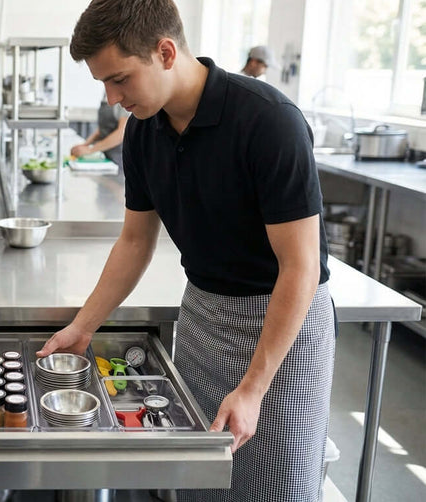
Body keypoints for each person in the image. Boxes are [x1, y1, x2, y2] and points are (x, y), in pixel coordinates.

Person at [38, 1, 334, 501]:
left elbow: (299, 267)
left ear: (166, 52)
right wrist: (84, 325)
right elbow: (135, 241)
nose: (112, 98)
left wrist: (255, 388)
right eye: (103, 84)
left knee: (274, 486)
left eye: (120, 79)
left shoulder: (268, 121)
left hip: (282, 332)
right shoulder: (143, 131)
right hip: (201, 316)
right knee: (202, 482)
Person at [70, 91, 130, 168]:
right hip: (105, 155)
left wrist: (90, 150)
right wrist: (84, 145)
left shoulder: (123, 97)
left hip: (118, 157)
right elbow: (101, 130)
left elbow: (121, 133)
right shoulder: (105, 95)